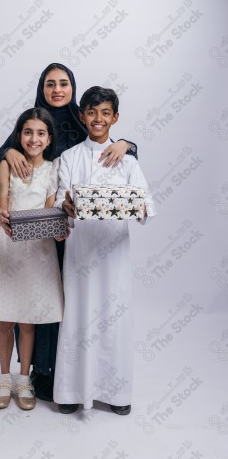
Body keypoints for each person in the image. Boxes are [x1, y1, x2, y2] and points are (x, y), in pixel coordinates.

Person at [0, 63, 138, 402]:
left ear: (73, 87)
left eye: (64, 83)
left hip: (71, 230)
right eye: (50, 83)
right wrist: (8, 150)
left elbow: (107, 144)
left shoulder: (82, 119)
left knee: (66, 305)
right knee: (36, 303)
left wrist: (127, 143)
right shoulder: (34, 120)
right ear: (42, 87)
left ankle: (74, 374)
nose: (57, 89)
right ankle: (39, 373)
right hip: (35, 231)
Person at [53, 86, 156, 414]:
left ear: (115, 117)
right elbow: (59, 197)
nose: (98, 119)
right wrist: (65, 204)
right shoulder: (70, 157)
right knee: (78, 317)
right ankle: (70, 392)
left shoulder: (126, 159)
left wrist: (136, 206)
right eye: (92, 112)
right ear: (82, 115)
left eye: (105, 113)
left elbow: (146, 203)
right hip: (80, 250)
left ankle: (116, 393)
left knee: (114, 318)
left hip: (113, 253)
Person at [0, 107, 66, 411]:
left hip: (37, 251)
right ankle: (4, 378)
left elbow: (49, 208)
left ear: (49, 139)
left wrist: (57, 230)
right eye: (28, 132)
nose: (34, 138)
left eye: (41, 133)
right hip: (7, 244)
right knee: (6, 320)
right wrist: (1, 213)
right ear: (19, 135)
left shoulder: (52, 169)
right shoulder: (7, 164)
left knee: (28, 320)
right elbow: (2, 203)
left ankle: (24, 381)